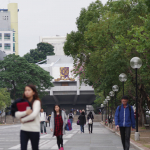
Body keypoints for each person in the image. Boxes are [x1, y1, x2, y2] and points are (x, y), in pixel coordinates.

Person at [15, 84, 41, 150]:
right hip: (24, 130)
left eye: (29, 90)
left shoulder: (36, 102)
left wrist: (23, 120)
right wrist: (25, 112)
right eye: (25, 90)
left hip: (34, 130)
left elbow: (34, 115)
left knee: (35, 148)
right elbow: (17, 114)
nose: (26, 92)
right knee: (23, 148)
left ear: (33, 92)